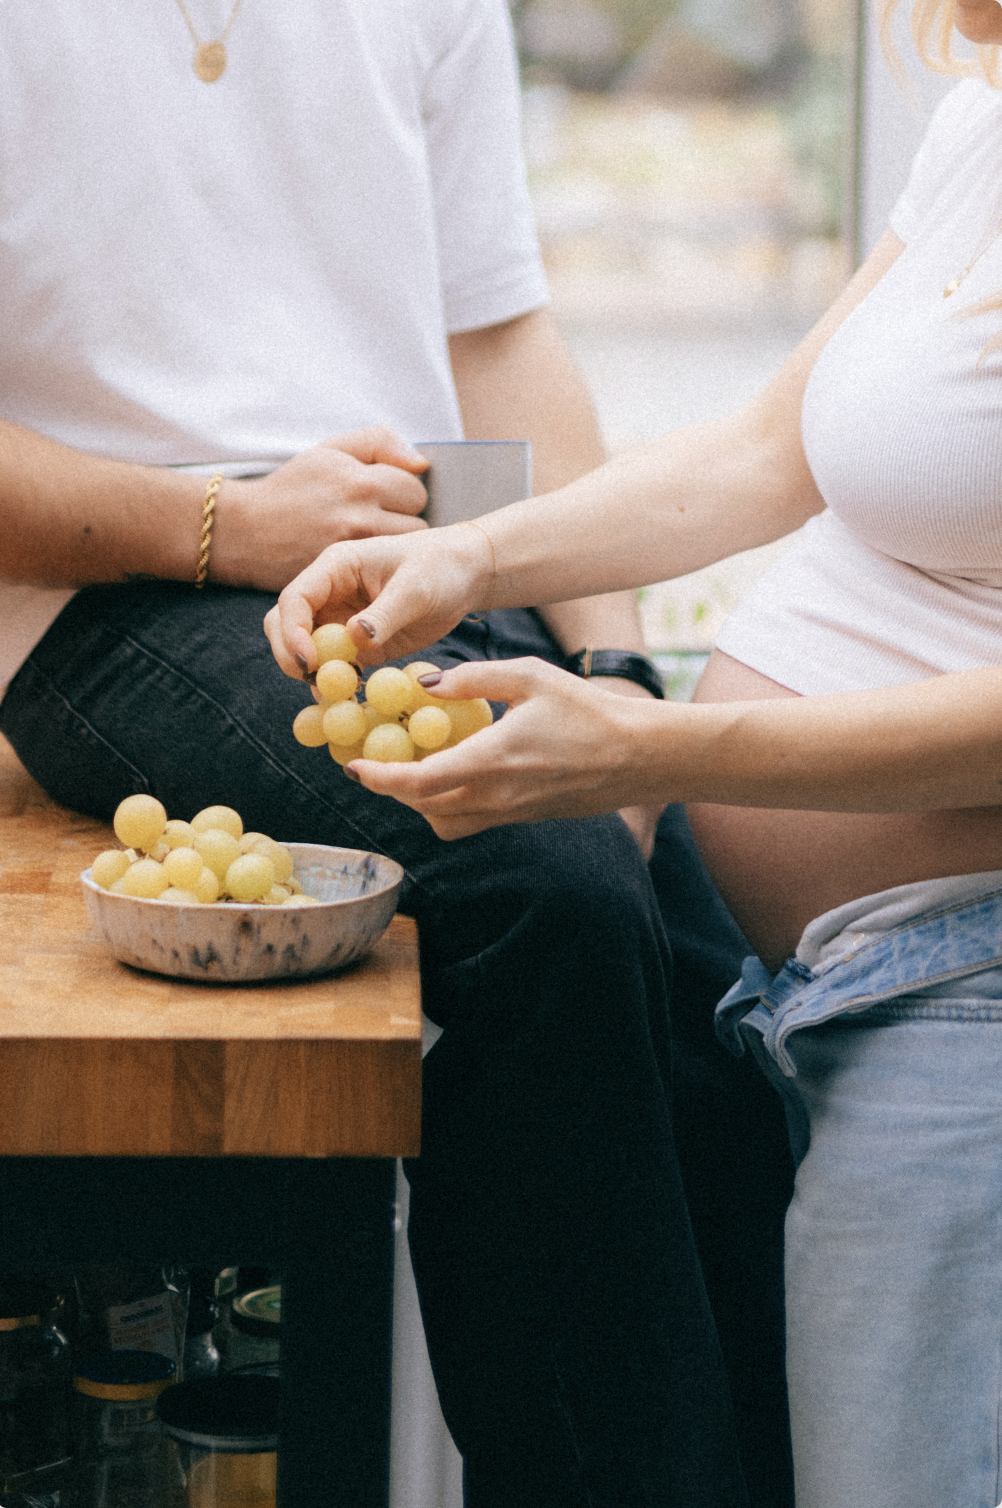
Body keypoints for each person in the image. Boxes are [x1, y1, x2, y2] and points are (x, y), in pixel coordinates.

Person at [0, 2, 798, 1503]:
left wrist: (617, 668)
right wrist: (222, 528)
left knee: (717, 1008)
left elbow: (495, 334)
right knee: (541, 884)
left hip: (416, 577)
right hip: (112, 597)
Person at [265, 2, 1002, 1504]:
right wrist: (465, 564)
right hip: (792, 995)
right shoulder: (980, 123)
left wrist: (648, 744)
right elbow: (760, 453)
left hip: (956, 1012)